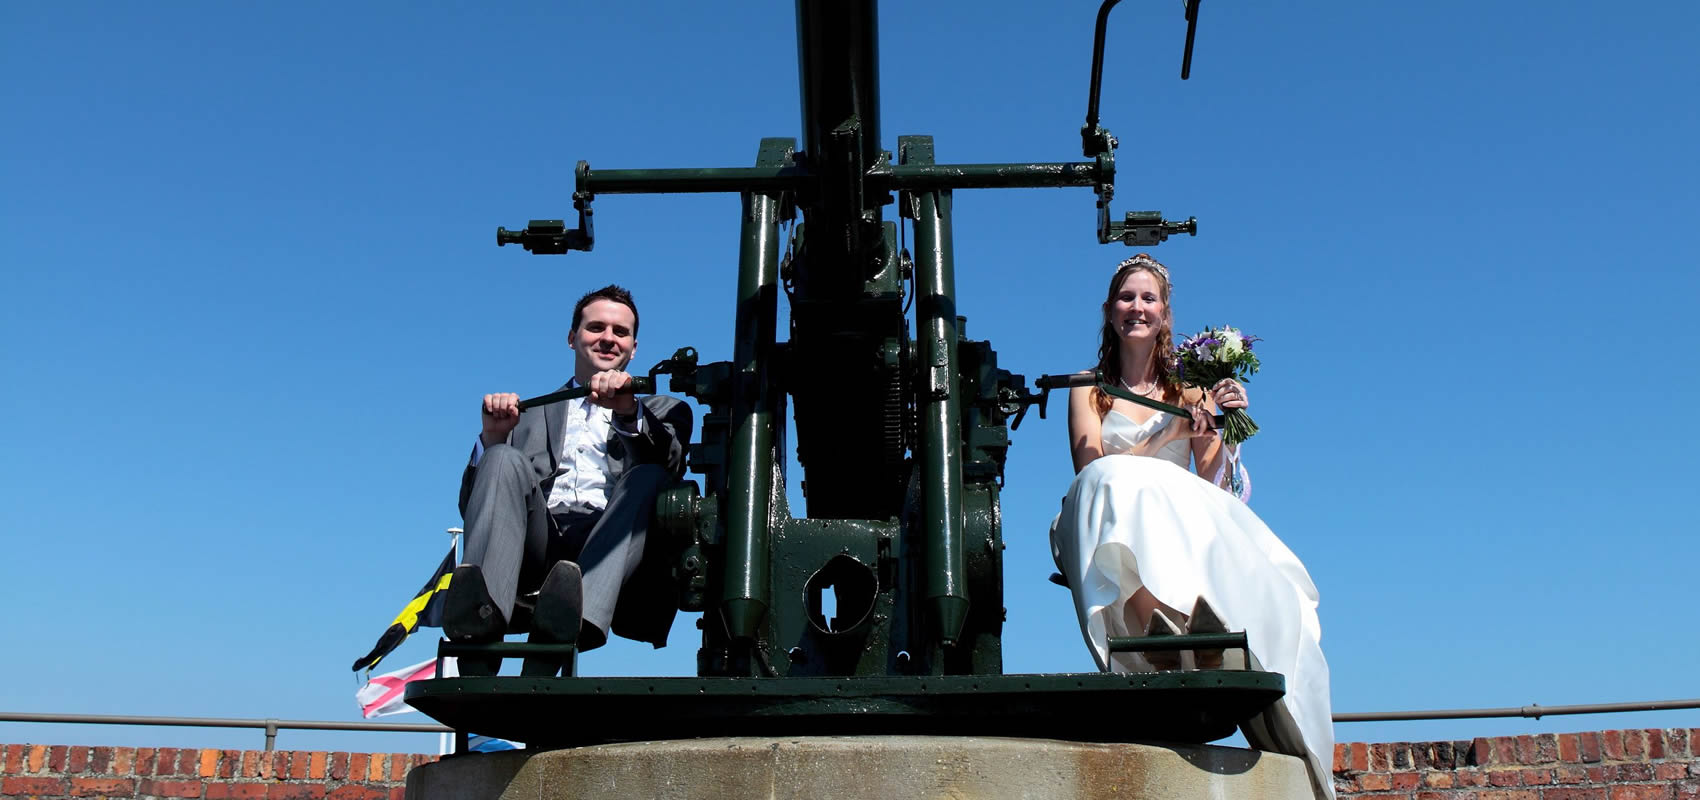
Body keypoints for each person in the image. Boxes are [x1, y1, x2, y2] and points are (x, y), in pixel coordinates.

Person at [1049, 254, 1334, 799]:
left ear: (1165, 314)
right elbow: (1088, 468)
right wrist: (1166, 434)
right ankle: (1153, 629)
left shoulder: (1188, 387)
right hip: (1104, 505)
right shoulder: (1086, 387)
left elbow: (1206, 479)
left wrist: (1219, 431)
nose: (1137, 308)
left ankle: (1194, 627)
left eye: (1148, 299)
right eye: (1127, 298)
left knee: (1186, 506)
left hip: (1175, 506)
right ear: (1109, 312)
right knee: (1109, 482)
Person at [443, 285, 693, 674]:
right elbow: (475, 507)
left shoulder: (665, 410)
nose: (609, 338)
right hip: (538, 540)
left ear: (634, 347)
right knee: (502, 457)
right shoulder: (526, 414)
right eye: (596, 327)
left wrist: (627, 411)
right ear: (572, 337)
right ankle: (480, 623)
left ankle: (567, 624)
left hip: (612, 546)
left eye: (620, 332)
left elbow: (668, 463)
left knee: (648, 476)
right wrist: (493, 439)